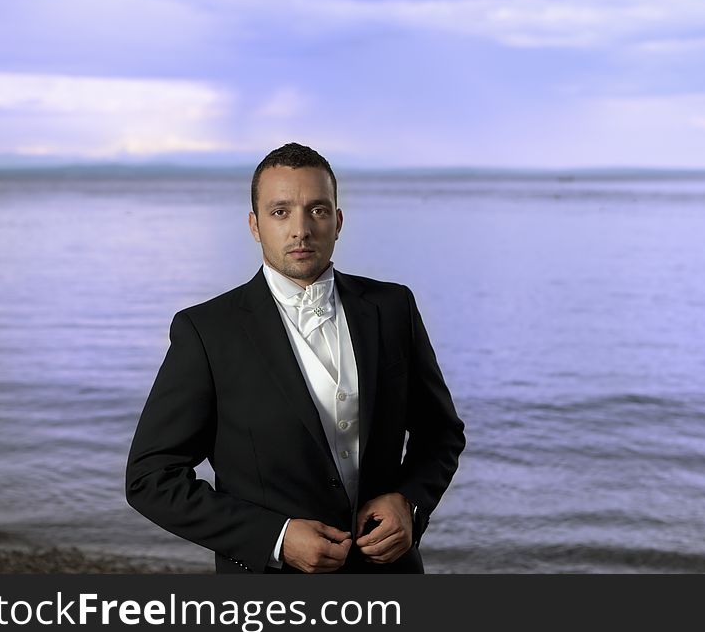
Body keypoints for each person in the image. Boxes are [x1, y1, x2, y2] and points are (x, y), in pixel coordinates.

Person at [125, 142, 466, 573]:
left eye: (318, 210)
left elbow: (440, 432)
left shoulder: (393, 308)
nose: (301, 229)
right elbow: (150, 479)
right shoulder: (206, 331)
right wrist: (276, 538)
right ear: (255, 225)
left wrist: (409, 503)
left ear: (338, 221)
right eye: (280, 211)